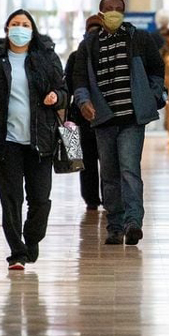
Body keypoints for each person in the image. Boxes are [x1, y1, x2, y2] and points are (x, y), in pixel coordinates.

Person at [0, 9, 67, 270]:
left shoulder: (46, 57)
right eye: (15, 24)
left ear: (32, 29)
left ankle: (32, 237)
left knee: (40, 198)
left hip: (41, 140)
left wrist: (56, 97)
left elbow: (63, 89)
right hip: (5, 141)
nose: (20, 28)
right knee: (11, 198)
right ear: (7, 29)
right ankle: (17, 252)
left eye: (25, 24)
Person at [72, 0, 166, 246]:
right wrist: (83, 102)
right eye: (109, 9)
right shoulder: (89, 45)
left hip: (131, 119)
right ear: (100, 14)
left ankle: (133, 222)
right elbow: (79, 80)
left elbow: (158, 70)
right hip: (103, 119)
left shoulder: (139, 39)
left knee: (129, 170)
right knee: (110, 175)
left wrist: (152, 96)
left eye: (119, 9)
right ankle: (114, 225)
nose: (114, 13)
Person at [64, 14, 104, 210]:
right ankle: (91, 200)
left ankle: (94, 200)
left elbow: (67, 87)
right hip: (82, 116)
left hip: (99, 116)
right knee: (87, 161)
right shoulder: (76, 56)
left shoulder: (76, 55)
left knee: (99, 161)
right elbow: (69, 87)